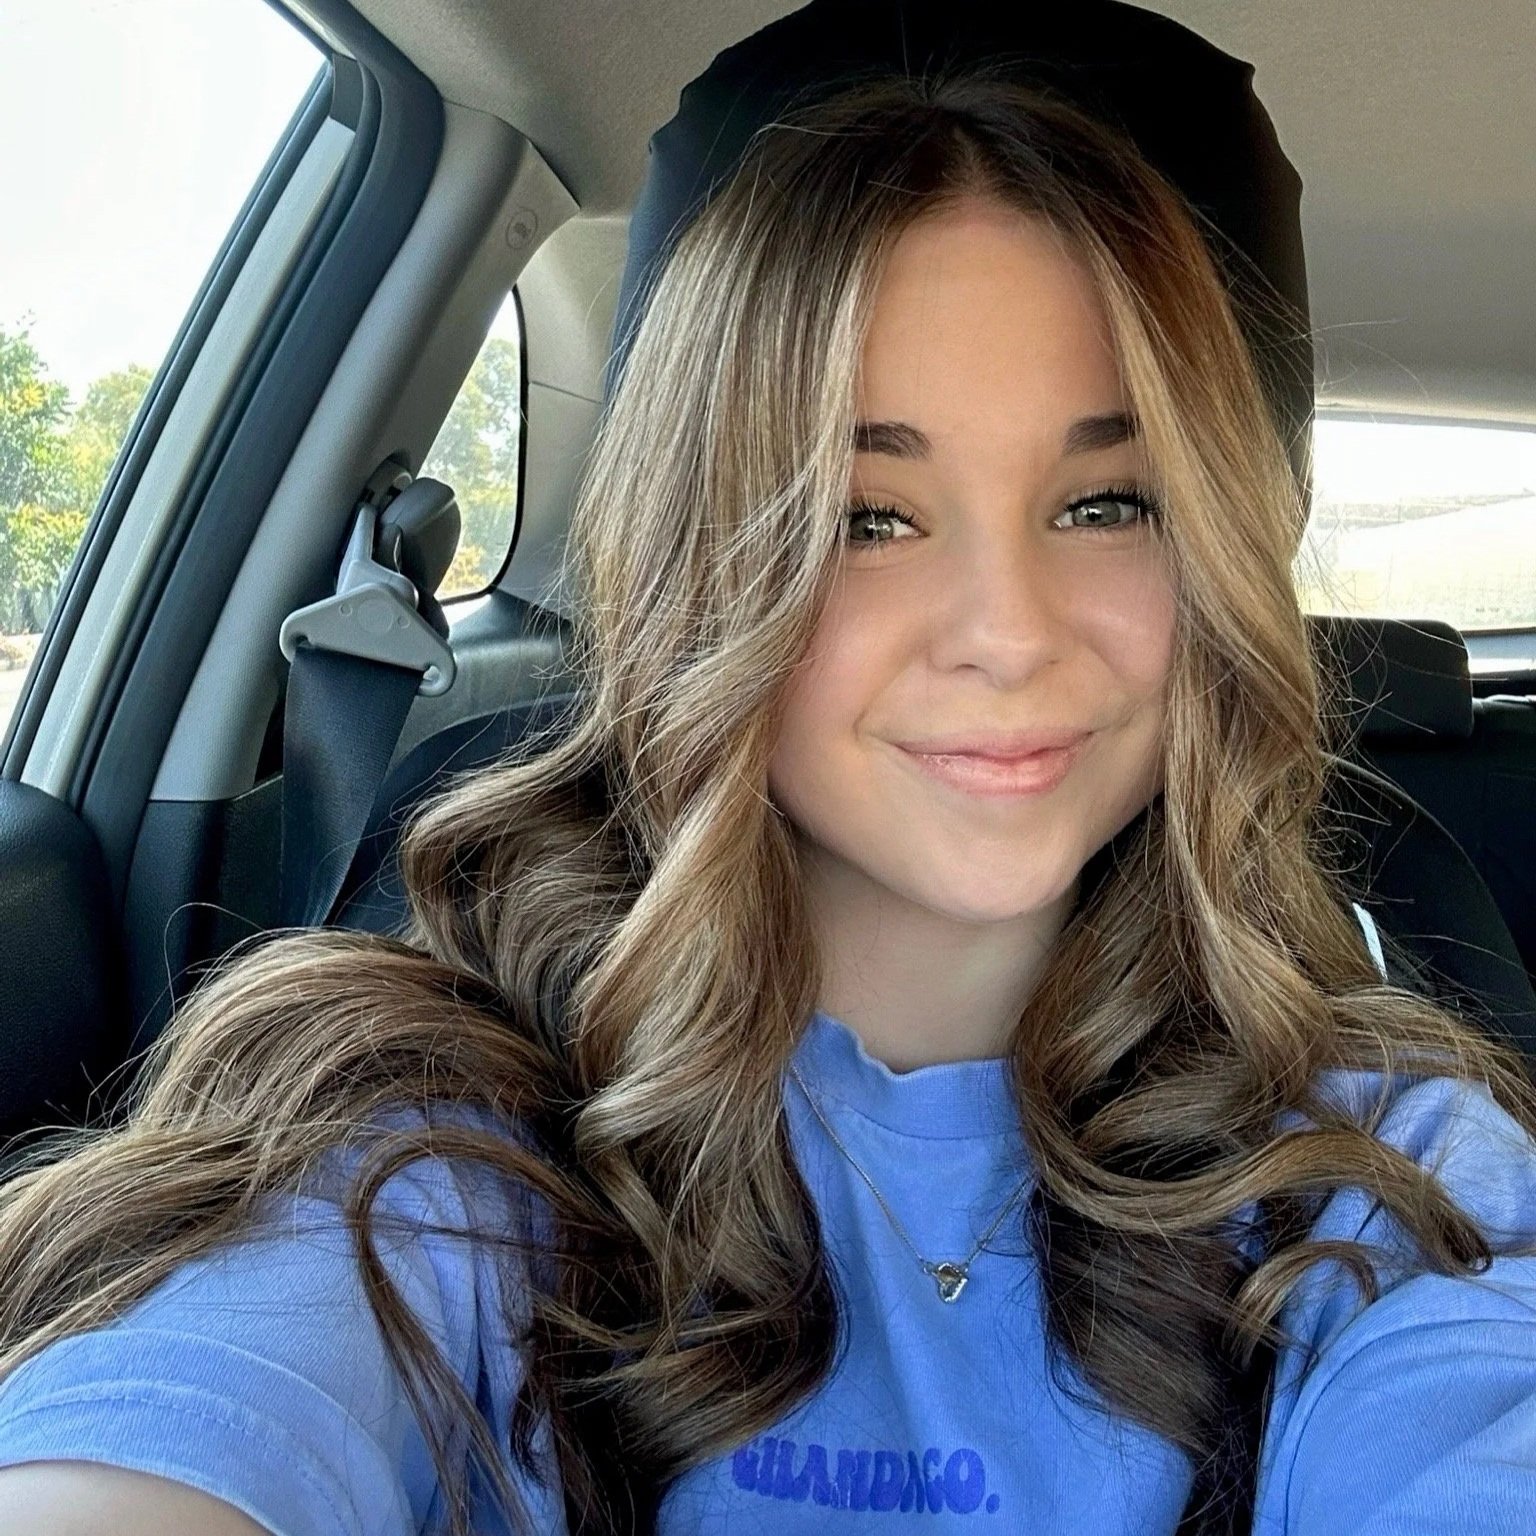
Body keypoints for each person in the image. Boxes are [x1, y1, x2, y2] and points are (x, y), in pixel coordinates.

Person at [1, 10, 1536, 1536]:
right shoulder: (434, 1135)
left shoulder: (1395, 1179)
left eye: (1105, 503)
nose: (1009, 635)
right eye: (868, 518)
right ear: (696, 567)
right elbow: (199, 1413)